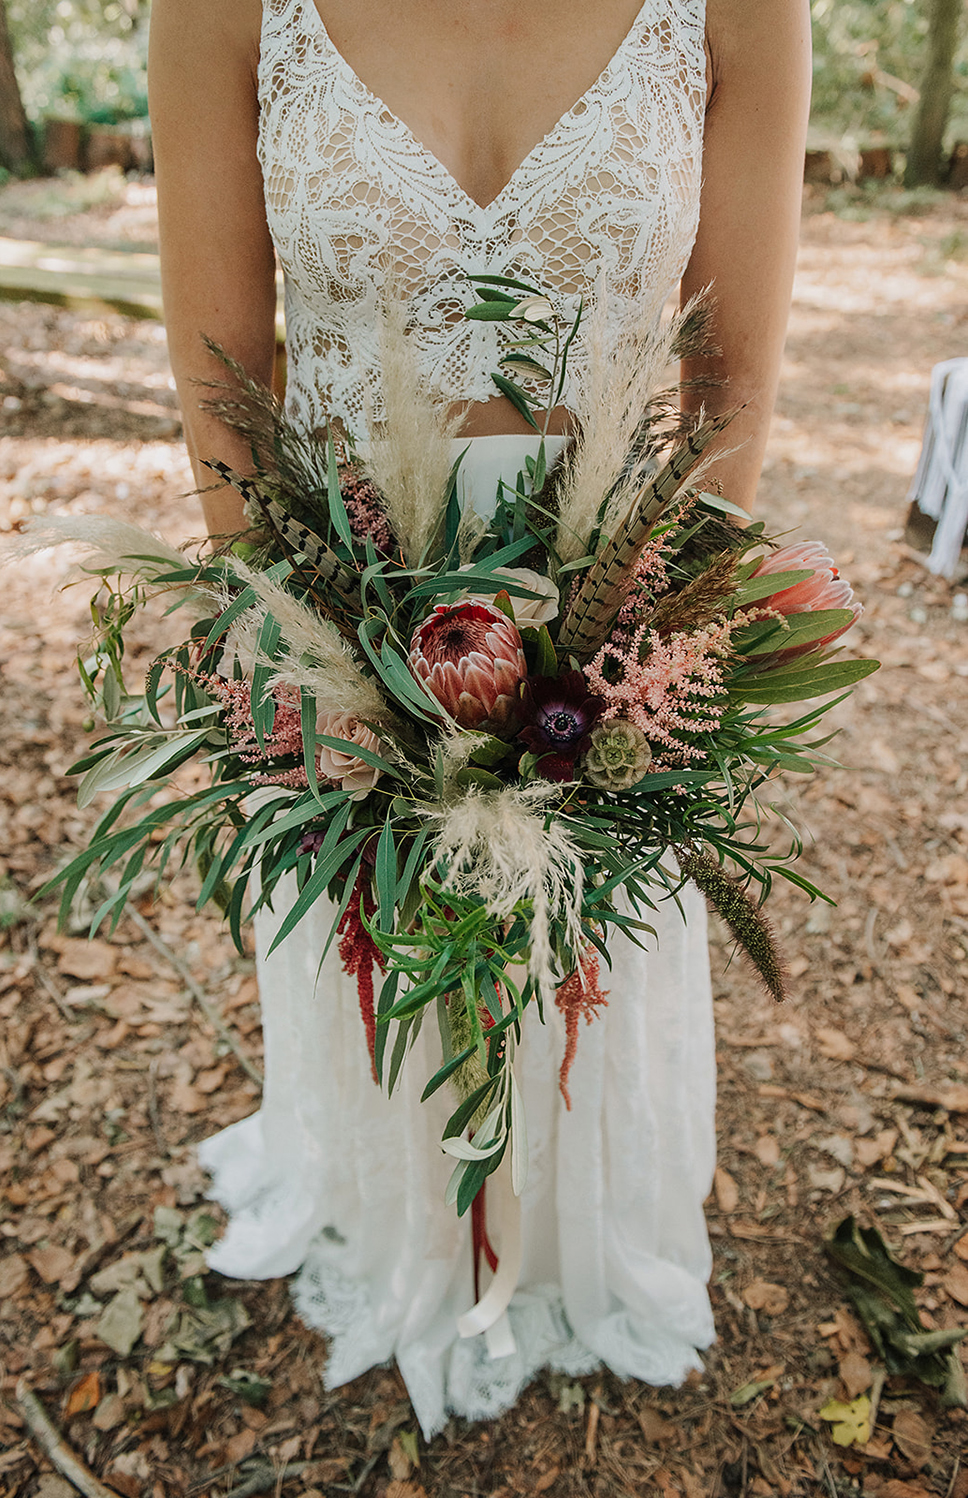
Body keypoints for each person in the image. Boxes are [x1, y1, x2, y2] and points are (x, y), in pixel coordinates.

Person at [148, 0, 811, 1435]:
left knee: (570, 953)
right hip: (351, 618)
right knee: (385, 939)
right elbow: (222, 376)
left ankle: (572, 1237)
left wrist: (634, 662)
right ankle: (394, 1212)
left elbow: (731, 376)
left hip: (609, 636)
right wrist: (307, 657)